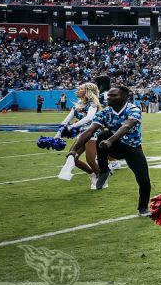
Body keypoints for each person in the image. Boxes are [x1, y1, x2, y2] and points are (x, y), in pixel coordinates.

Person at [87, 85, 152, 218]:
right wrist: (74, 151)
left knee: (144, 180)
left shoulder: (133, 109)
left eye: (113, 95)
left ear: (124, 97)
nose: (109, 97)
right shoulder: (105, 112)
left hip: (132, 148)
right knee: (102, 134)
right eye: (108, 95)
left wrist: (110, 140)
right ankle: (104, 170)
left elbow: (127, 126)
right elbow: (89, 131)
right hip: (114, 148)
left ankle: (143, 208)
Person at [58, 82, 104, 184]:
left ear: (87, 92)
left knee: (90, 160)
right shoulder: (77, 106)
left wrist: (72, 126)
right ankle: (93, 174)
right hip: (82, 134)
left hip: (92, 133)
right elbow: (65, 122)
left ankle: (101, 178)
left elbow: (89, 118)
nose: (77, 90)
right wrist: (57, 136)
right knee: (72, 156)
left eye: (81, 88)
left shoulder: (92, 104)